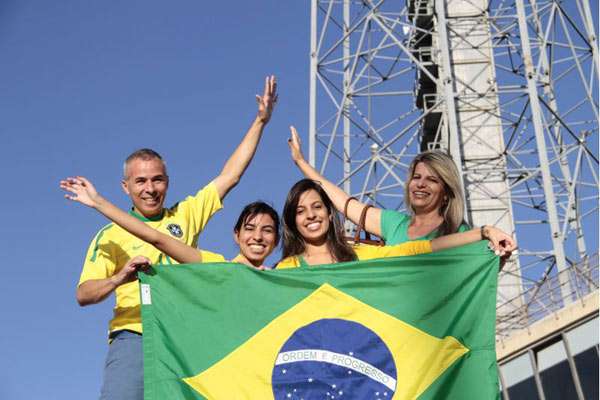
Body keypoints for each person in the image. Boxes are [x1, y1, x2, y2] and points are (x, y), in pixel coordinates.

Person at [63, 76, 277, 400]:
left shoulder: (185, 215)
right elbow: (83, 294)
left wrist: (260, 121)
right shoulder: (109, 234)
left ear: (168, 181)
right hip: (135, 335)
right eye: (141, 181)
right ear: (126, 187)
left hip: (183, 337)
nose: (150, 189)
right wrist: (120, 278)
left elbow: (230, 175)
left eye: (158, 180)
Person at [287, 126, 470, 246]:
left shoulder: (460, 232)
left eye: (432, 180)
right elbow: (345, 203)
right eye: (416, 177)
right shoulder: (394, 224)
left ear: (446, 192)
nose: (420, 184)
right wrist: (300, 162)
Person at [276, 179, 515, 268]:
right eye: (300, 211)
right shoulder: (287, 269)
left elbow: (421, 248)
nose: (310, 215)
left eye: (317, 207)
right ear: (292, 221)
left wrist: (484, 232)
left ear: (330, 214)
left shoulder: (357, 256)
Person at [61, 175, 279, 269]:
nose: (257, 237)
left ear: (277, 240)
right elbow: (155, 238)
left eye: (267, 230)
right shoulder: (217, 266)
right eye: (249, 228)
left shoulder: (281, 275)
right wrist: (99, 202)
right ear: (236, 234)